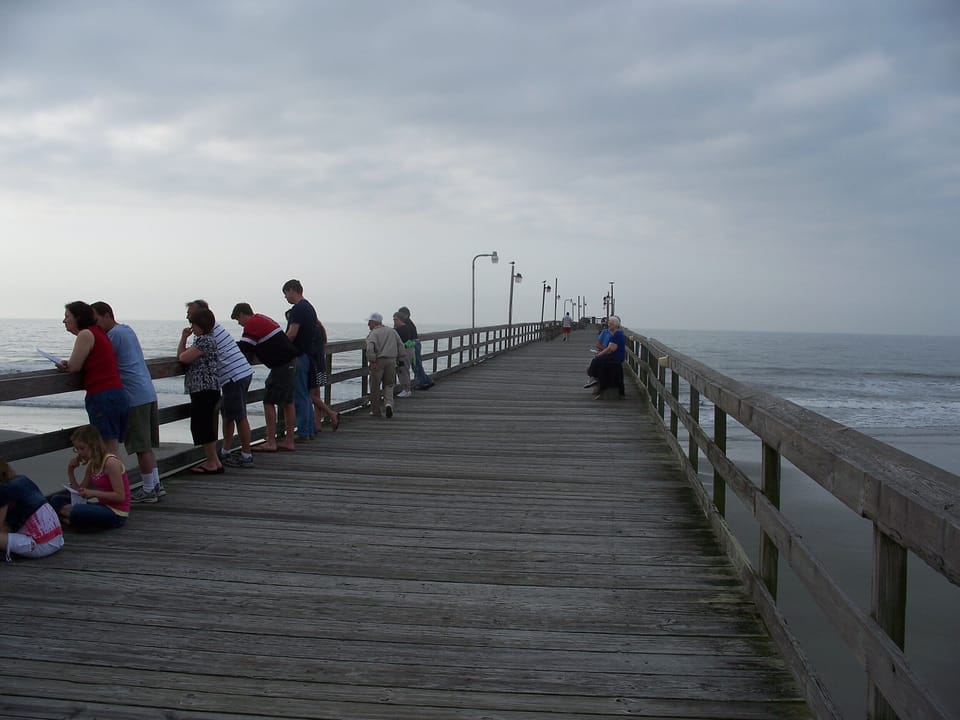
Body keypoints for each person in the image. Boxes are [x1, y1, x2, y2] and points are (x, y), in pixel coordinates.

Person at [91, 302, 165, 503]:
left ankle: (149, 489)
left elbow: (101, 358)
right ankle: (156, 485)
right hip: (147, 392)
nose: (95, 325)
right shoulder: (127, 330)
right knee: (146, 446)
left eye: (96, 319)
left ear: (107, 315)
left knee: (141, 446)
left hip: (134, 396)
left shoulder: (113, 336)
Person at [186, 300, 255, 469]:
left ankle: (246, 455)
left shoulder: (208, 333)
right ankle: (225, 451)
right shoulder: (212, 329)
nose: (188, 316)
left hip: (233, 375)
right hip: (239, 372)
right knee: (229, 414)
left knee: (238, 416)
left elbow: (188, 356)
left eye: (191, 313)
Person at [58, 301, 129, 455]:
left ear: (78, 317)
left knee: (105, 450)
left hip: (102, 396)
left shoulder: (85, 334)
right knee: (111, 448)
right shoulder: (98, 332)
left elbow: (74, 366)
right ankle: (116, 478)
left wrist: (65, 365)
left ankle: (114, 478)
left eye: (67, 316)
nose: (64, 320)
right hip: (116, 395)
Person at [230, 303, 298, 452]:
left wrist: (225, 346)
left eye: (238, 319)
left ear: (242, 314)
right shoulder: (262, 318)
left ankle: (271, 441)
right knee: (288, 402)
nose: (239, 324)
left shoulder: (252, 324)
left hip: (282, 364)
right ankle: (289, 440)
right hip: (290, 361)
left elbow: (244, 347)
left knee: (268, 401)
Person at [50, 425, 130, 532]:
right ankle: (72, 521)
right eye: (76, 449)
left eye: (82, 448)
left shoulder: (111, 463)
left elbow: (120, 497)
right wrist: (70, 471)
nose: (79, 452)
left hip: (116, 513)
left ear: (94, 445)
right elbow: (79, 493)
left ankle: (69, 520)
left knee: (77, 510)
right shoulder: (92, 465)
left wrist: (93, 493)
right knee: (56, 500)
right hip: (102, 507)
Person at [178, 308, 223, 474]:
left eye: (193, 324)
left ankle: (211, 461)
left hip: (204, 389)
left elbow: (183, 358)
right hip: (207, 389)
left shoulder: (204, 340)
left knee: (202, 426)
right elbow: (182, 355)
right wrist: (184, 339)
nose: (192, 327)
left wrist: (183, 338)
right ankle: (215, 461)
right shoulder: (205, 340)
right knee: (204, 425)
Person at [0, 459, 64, 561]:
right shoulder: (22, 480)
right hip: (57, 539)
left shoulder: (4, 491)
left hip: (40, 544)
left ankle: (13, 552)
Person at [282, 279, 318, 441]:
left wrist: (278, 346)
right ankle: (309, 430)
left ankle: (303, 432)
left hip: (298, 356)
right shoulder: (309, 308)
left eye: (285, 294)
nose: (286, 298)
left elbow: (292, 333)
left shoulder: (298, 309)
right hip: (308, 355)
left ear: (292, 290)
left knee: (300, 395)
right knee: (305, 394)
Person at [365, 312, 404, 418]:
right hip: (391, 360)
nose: (368, 325)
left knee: (375, 386)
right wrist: (400, 359)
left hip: (378, 361)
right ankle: (388, 404)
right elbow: (400, 345)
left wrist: (372, 361)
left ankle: (375, 410)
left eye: (369, 322)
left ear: (374, 322)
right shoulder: (392, 331)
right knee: (389, 384)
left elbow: (369, 348)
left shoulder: (373, 334)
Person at [310, 319, 341, 431]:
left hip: (314, 366)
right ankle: (318, 424)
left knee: (311, 396)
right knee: (316, 396)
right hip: (321, 365)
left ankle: (331, 413)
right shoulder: (320, 329)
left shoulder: (312, 329)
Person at [587, 315, 627, 398]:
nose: (609, 325)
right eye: (609, 323)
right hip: (612, 356)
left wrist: (600, 354)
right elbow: (608, 348)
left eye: (611, 324)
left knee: (597, 361)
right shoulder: (615, 334)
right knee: (597, 360)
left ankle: (596, 381)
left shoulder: (618, 335)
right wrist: (600, 354)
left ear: (615, 325)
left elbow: (611, 348)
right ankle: (595, 380)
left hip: (616, 357)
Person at [397, 306, 433, 389]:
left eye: (400, 314)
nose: (399, 316)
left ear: (406, 315)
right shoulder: (409, 322)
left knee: (416, 364)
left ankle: (423, 383)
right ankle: (427, 380)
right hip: (415, 342)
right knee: (417, 363)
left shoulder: (406, 323)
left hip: (413, 343)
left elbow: (406, 335)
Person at [583, 321, 615, 388]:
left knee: (595, 364)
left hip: (611, 357)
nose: (609, 326)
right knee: (589, 367)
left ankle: (596, 383)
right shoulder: (605, 332)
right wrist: (604, 350)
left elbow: (613, 350)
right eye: (608, 325)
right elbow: (597, 344)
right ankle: (594, 381)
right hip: (603, 354)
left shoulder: (617, 335)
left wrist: (604, 351)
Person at [392, 312, 415, 398]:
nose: (394, 321)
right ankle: (405, 389)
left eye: (396, 319)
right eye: (393, 319)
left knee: (403, 370)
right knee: (402, 370)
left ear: (401, 319)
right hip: (405, 351)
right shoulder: (400, 328)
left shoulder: (403, 329)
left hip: (404, 352)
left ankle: (406, 390)